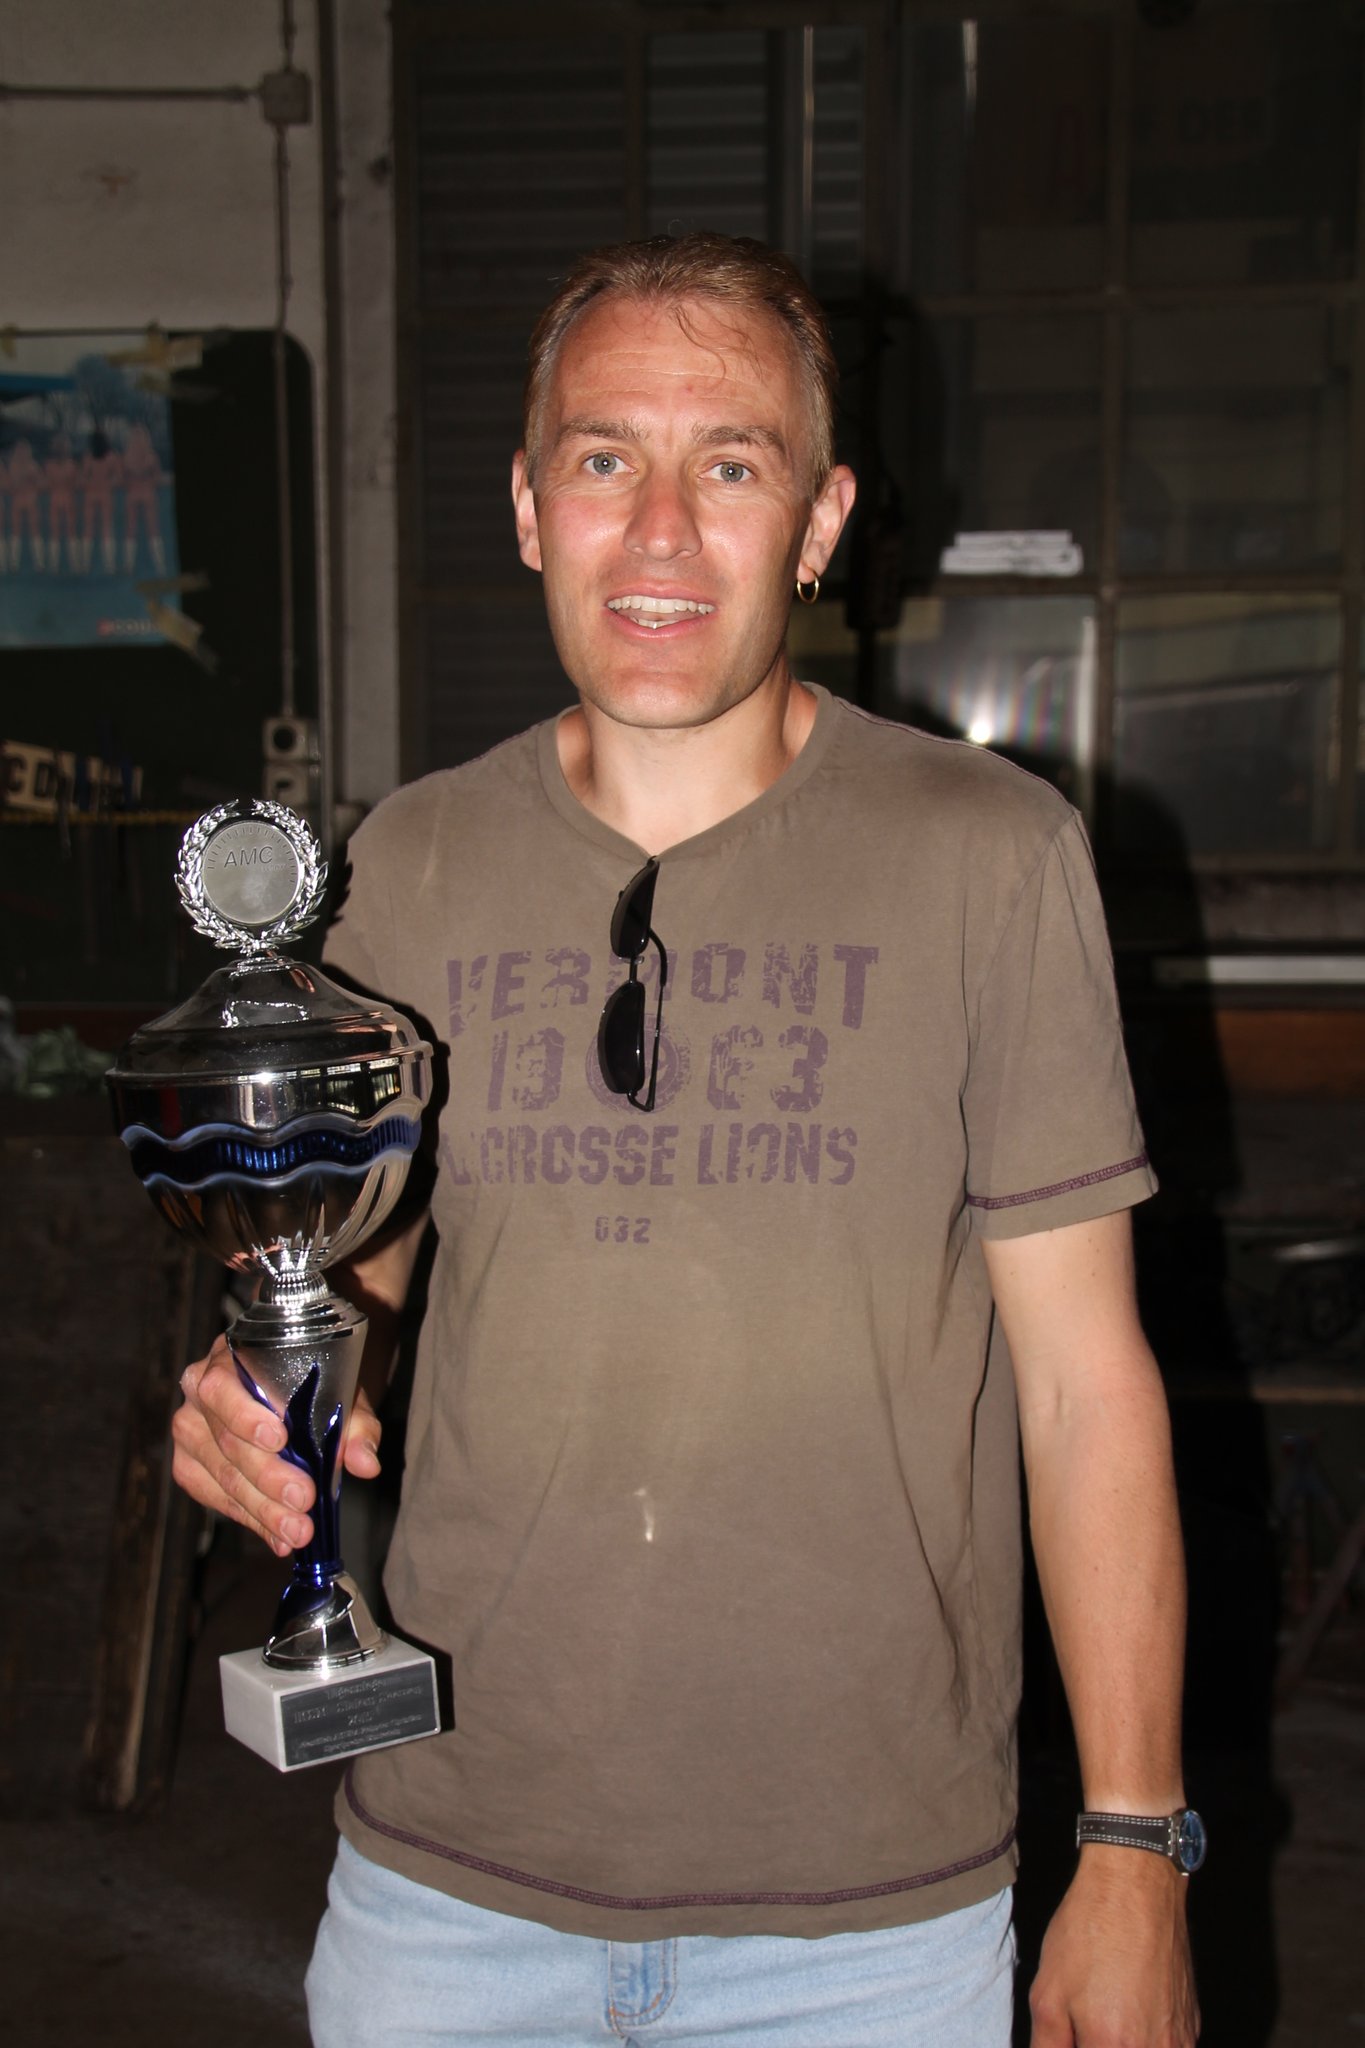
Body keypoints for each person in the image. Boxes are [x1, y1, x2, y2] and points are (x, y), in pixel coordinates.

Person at [173, 233, 1199, 2047]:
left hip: (868, 1921)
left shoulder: (990, 852)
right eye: (602, 460)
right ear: (526, 507)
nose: (658, 535)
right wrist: (271, 1385)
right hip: (447, 1883)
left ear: (820, 523)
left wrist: (1133, 1847)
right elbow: (369, 1271)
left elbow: (1083, 1390)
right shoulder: (408, 858)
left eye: (729, 466)